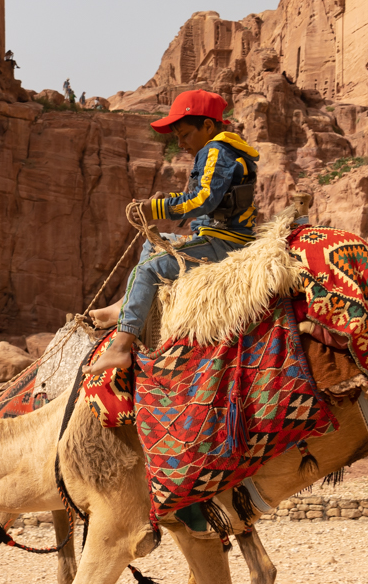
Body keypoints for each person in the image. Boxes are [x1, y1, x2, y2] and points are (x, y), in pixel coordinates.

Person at [88, 90, 258, 373]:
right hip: (214, 236)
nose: (180, 144)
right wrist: (160, 201)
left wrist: (156, 209)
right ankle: (124, 305)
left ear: (207, 126)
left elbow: (205, 199)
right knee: (153, 244)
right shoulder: (222, 149)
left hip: (224, 242)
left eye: (185, 135)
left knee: (149, 269)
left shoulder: (216, 151)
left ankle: (120, 347)